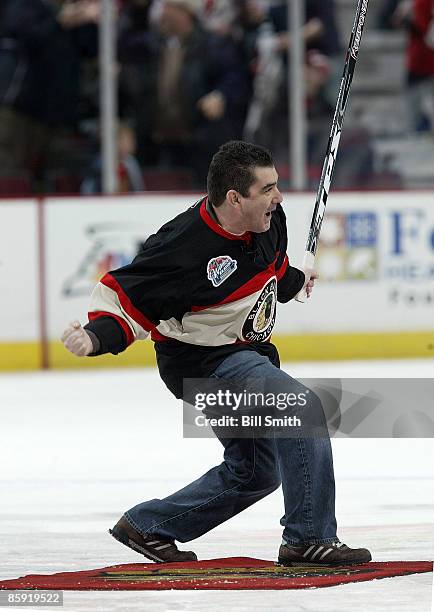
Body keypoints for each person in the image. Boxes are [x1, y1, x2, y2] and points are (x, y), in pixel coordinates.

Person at [61, 140, 371, 566]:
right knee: (300, 409)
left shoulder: (268, 219)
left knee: (257, 471)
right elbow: (124, 296)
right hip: (204, 365)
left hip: (246, 354)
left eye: (276, 186)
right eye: (268, 189)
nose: (279, 197)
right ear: (234, 197)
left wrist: (294, 280)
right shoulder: (181, 247)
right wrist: (95, 337)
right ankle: (308, 539)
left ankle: (148, 525)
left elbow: (269, 269)